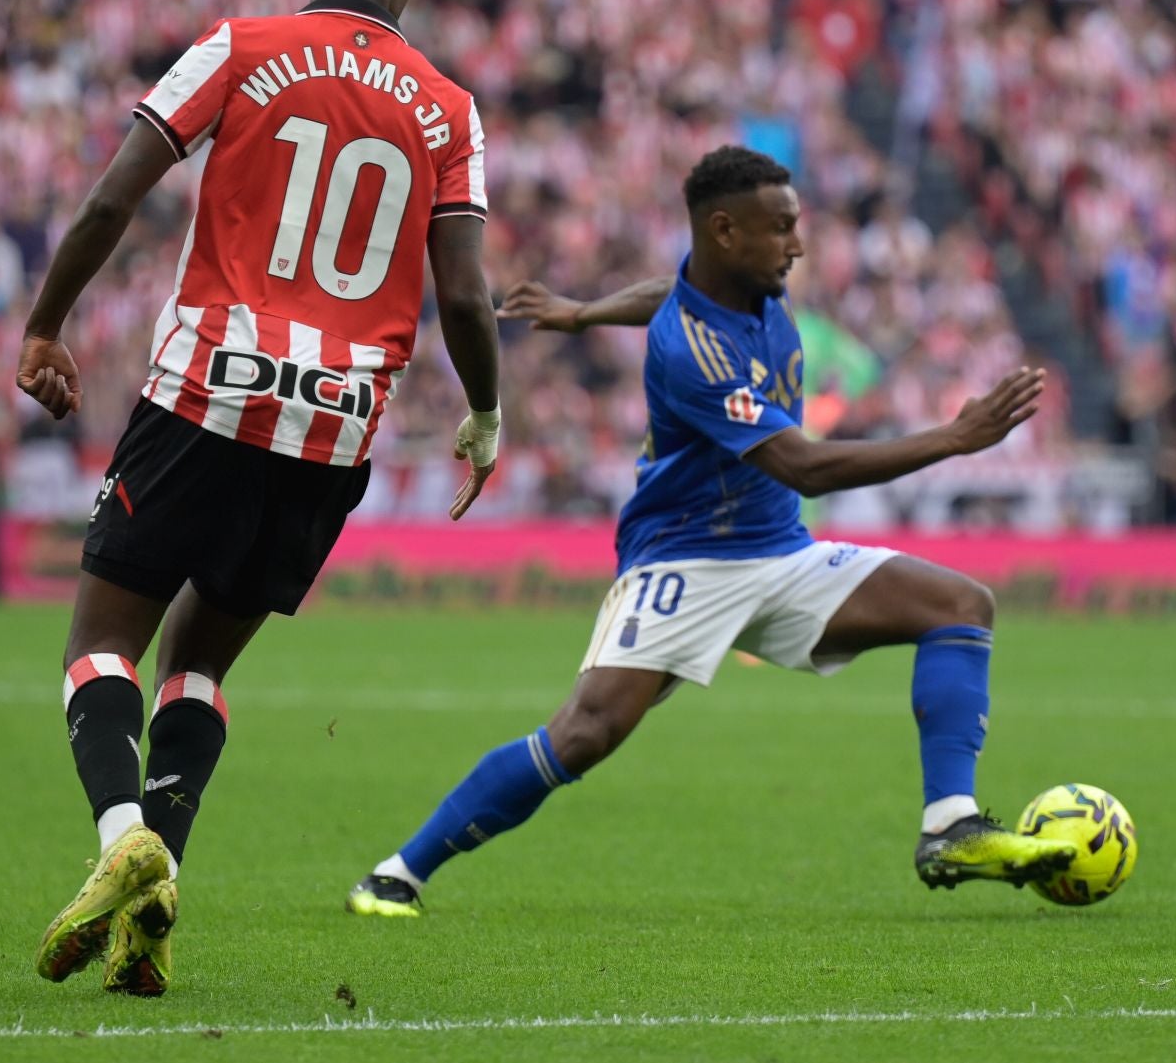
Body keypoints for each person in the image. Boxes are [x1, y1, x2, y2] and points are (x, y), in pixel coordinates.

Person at [17, 0, 502, 995]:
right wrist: (485, 413)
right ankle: (158, 895)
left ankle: (121, 838)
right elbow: (467, 295)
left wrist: (45, 325)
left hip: (206, 394)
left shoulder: (239, 45)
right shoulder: (446, 106)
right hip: (335, 426)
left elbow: (110, 201)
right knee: (200, 669)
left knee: (99, 648)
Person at [345, 145, 1072, 917]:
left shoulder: (750, 286)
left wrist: (585, 311)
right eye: (781, 228)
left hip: (779, 551)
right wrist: (952, 439)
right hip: (686, 561)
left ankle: (950, 826)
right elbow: (804, 465)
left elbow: (671, 286)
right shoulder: (690, 352)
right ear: (725, 230)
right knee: (585, 733)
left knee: (961, 604)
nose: (797, 244)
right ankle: (397, 872)